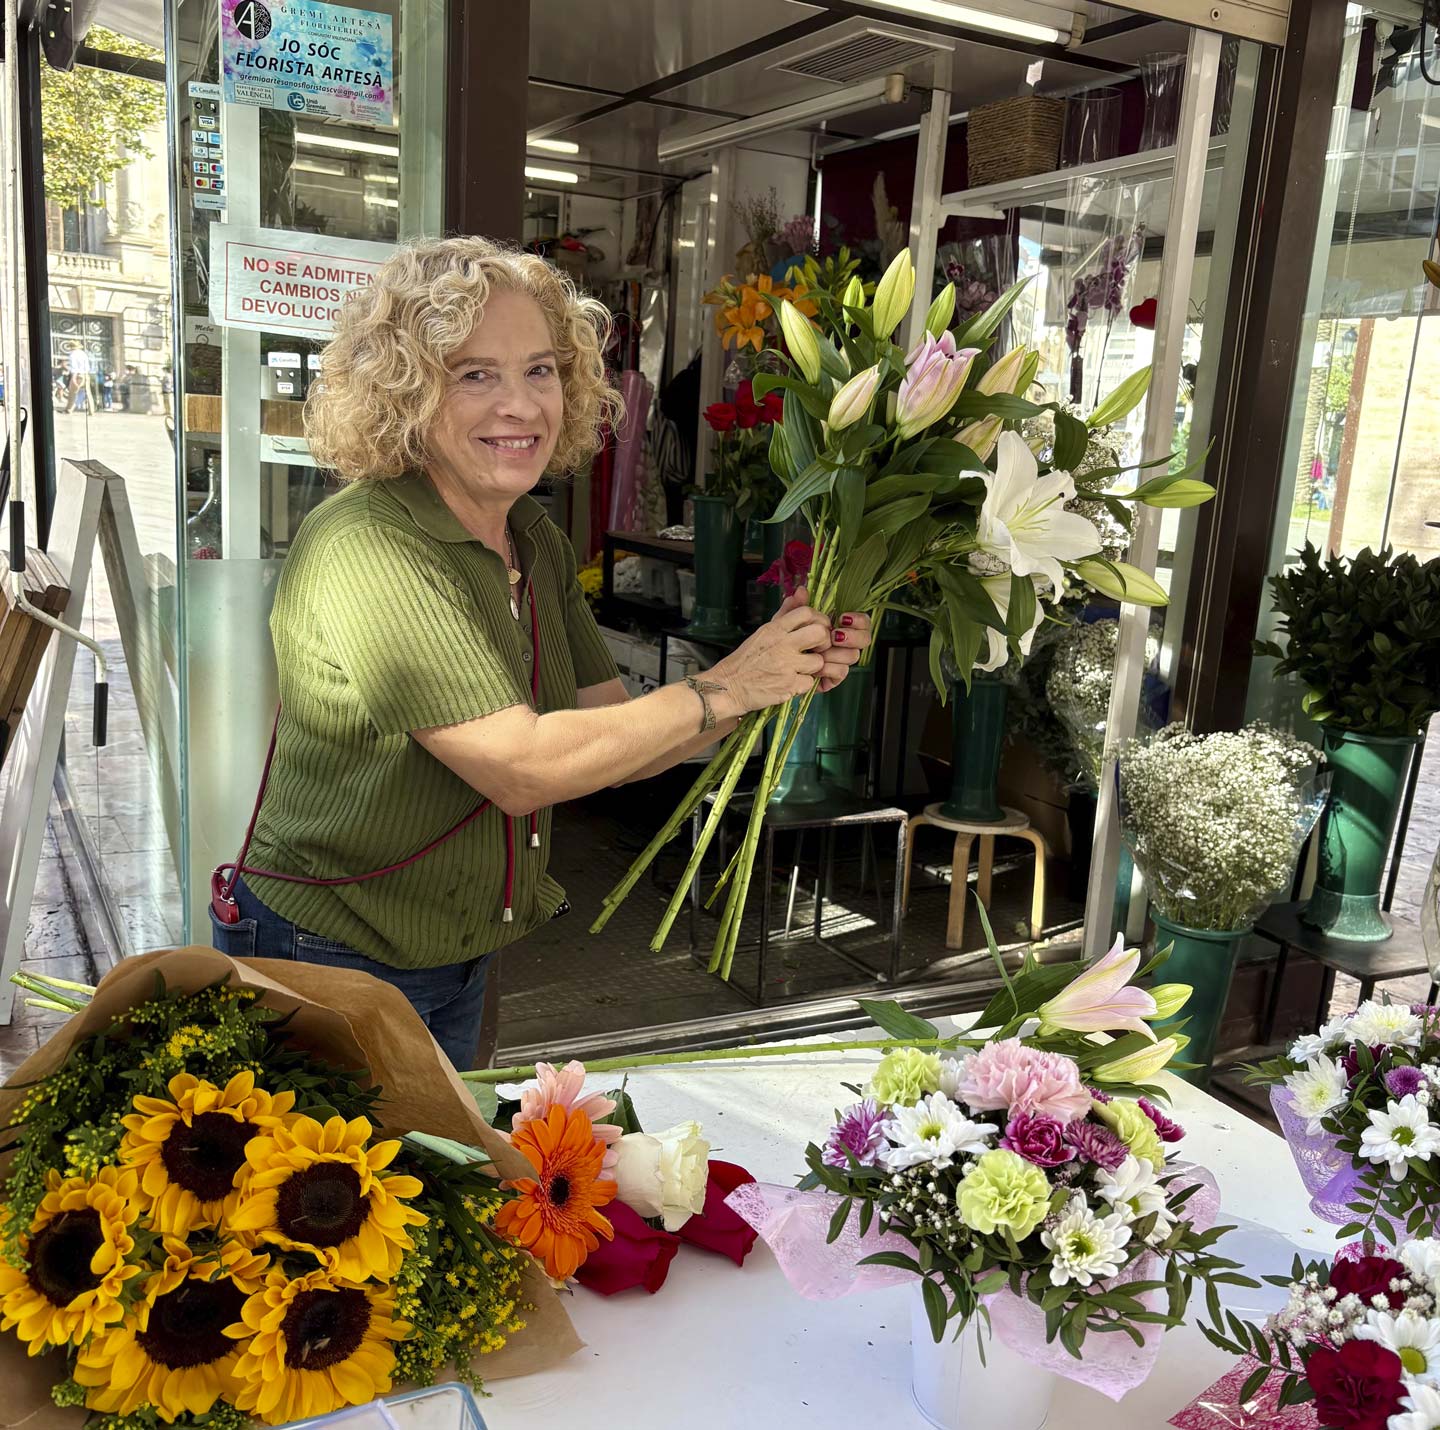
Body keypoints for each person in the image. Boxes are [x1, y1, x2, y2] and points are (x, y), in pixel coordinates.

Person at [208, 236, 871, 1069]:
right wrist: (731, 685)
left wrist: (776, 675)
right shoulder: (369, 544)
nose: (519, 405)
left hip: (456, 953)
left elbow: (617, 744)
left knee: (443, 1149)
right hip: (332, 950)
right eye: (474, 374)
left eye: (540, 370)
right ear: (404, 391)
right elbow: (520, 768)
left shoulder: (533, 539)